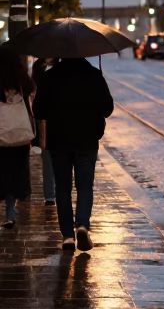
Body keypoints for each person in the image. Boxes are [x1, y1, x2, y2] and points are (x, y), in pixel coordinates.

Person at [33, 57, 114, 252]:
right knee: (85, 186)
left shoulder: (49, 77)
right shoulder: (93, 75)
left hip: (58, 140)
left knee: (62, 188)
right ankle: (82, 225)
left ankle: (68, 236)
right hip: (86, 140)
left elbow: (38, 110)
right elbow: (108, 109)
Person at [0, 43, 35, 230]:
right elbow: (31, 88)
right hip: (19, 133)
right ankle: (11, 211)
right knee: (16, 171)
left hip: (0, 133)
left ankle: (7, 208)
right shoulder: (21, 77)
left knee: (2, 171)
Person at [32, 58, 57, 205]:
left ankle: (50, 195)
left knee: (48, 161)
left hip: (46, 126)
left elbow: (37, 108)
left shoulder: (41, 72)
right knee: (57, 161)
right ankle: (54, 193)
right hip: (56, 126)